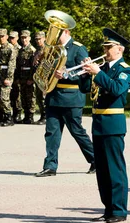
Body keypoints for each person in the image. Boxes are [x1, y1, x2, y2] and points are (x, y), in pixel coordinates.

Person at [82, 29, 130, 223]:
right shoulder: (102, 68)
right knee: (102, 170)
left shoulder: (125, 70)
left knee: (115, 168)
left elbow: (117, 89)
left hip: (113, 123)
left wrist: (97, 73)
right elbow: (85, 89)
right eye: (104, 47)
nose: (105, 50)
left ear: (119, 49)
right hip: (99, 123)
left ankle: (119, 210)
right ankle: (108, 208)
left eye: (108, 47)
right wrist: (86, 73)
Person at [35, 25, 95, 177]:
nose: (54, 36)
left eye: (58, 33)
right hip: (53, 96)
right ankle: (50, 166)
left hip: (71, 96)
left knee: (77, 132)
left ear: (67, 32)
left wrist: (68, 75)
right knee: (51, 133)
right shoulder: (53, 49)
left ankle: (96, 160)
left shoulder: (78, 48)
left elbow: (85, 71)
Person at [0, 29, 17, 126]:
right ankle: (3, 116)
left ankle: (9, 117)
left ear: (7, 36)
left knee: (4, 97)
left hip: (6, 76)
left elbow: (12, 64)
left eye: (2, 36)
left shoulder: (10, 48)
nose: (0, 38)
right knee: (0, 98)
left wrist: (9, 77)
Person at [16, 30, 37, 124]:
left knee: (30, 96)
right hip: (22, 76)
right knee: (23, 96)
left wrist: (31, 78)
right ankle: (26, 115)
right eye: (22, 38)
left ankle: (31, 115)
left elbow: (34, 66)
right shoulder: (20, 50)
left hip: (28, 76)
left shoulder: (32, 50)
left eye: (25, 37)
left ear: (29, 38)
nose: (24, 39)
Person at [33, 31, 47, 125]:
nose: (38, 41)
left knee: (44, 97)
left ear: (44, 38)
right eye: (36, 39)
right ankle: (42, 115)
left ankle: (46, 116)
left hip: (45, 77)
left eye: (40, 39)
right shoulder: (37, 50)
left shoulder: (48, 49)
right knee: (38, 97)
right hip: (38, 77)